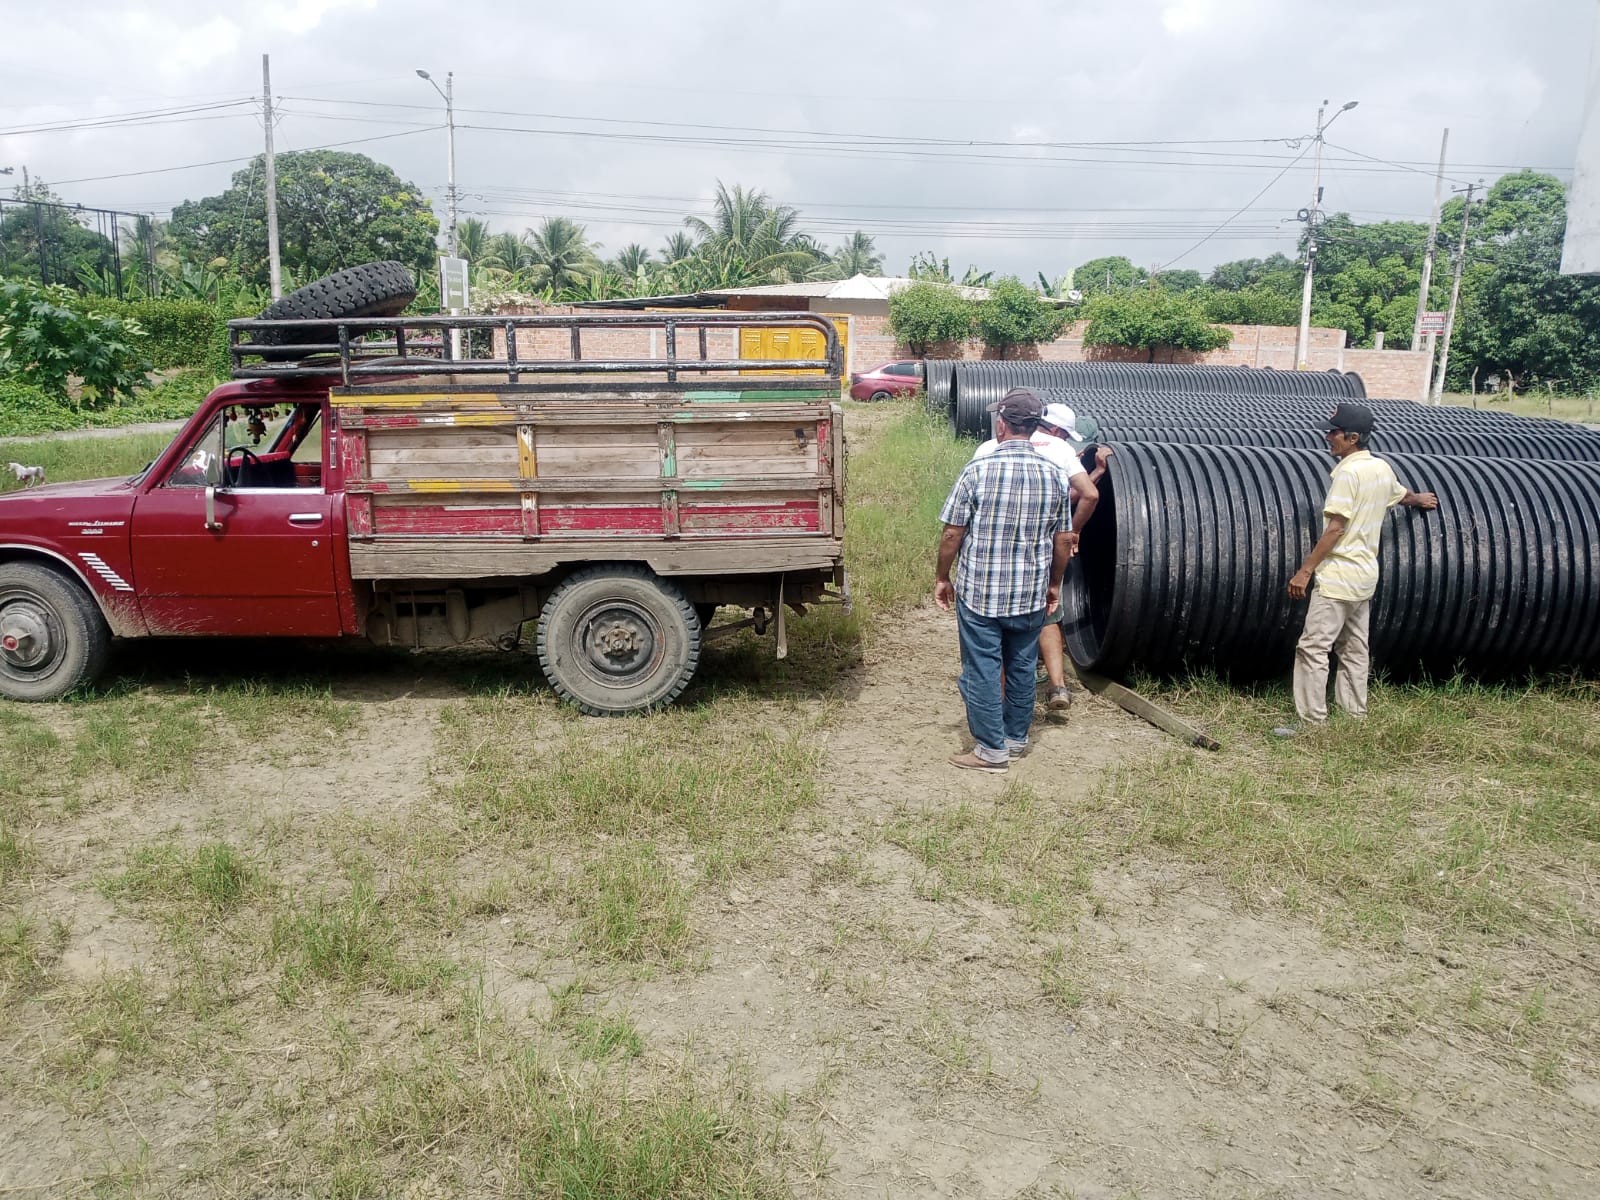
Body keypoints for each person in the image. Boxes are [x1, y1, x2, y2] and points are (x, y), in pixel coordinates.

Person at [1276, 403, 1438, 735]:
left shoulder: (1347, 474)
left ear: (1352, 438)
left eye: (1334, 433)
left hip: (1338, 579)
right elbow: (1400, 495)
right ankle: (1354, 717)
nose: (1328, 437)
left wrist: (1305, 571)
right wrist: (1418, 499)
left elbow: (1336, 528)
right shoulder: (1381, 468)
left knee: (1313, 648)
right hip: (1364, 578)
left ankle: (1312, 723)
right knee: (1353, 649)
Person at [936, 388, 1075, 772]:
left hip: (981, 594)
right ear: (1035, 427)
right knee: (1022, 666)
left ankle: (990, 750)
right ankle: (1015, 738)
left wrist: (942, 576)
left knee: (982, 667)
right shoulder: (1055, 475)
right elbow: (1064, 540)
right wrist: (1054, 584)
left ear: (1001, 424)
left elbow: (952, 533)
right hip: (1030, 594)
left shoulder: (978, 470)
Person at [972, 401, 1100, 711]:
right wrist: (1072, 531)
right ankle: (1057, 686)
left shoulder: (989, 447)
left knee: (996, 627)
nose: (1066, 439)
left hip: (994, 555)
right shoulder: (1060, 449)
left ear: (1004, 423)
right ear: (1054, 429)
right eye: (1065, 433)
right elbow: (1088, 494)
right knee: (1047, 615)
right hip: (1042, 552)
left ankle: (1001, 701)